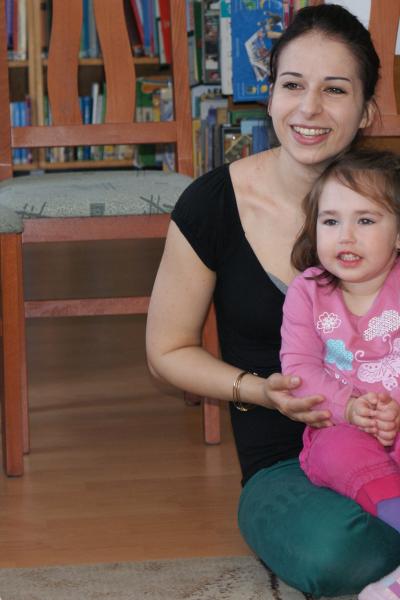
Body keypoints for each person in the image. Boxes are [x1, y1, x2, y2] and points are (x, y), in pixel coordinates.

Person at [146, 4, 400, 597]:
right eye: (292, 85)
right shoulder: (211, 204)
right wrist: (261, 390)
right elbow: (166, 352)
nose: (309, 108)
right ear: (269, 97)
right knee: (337, 552)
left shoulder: (396, 204)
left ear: (366, 111)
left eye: (334, 89)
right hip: (288, 462)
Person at [280, 150, 400, 599]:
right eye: (330, 221)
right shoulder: (307, 291)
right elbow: (299, 370)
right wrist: (349, 409)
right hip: (341, 428)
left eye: (365, 220)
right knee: (335, 450)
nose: (345, 235)